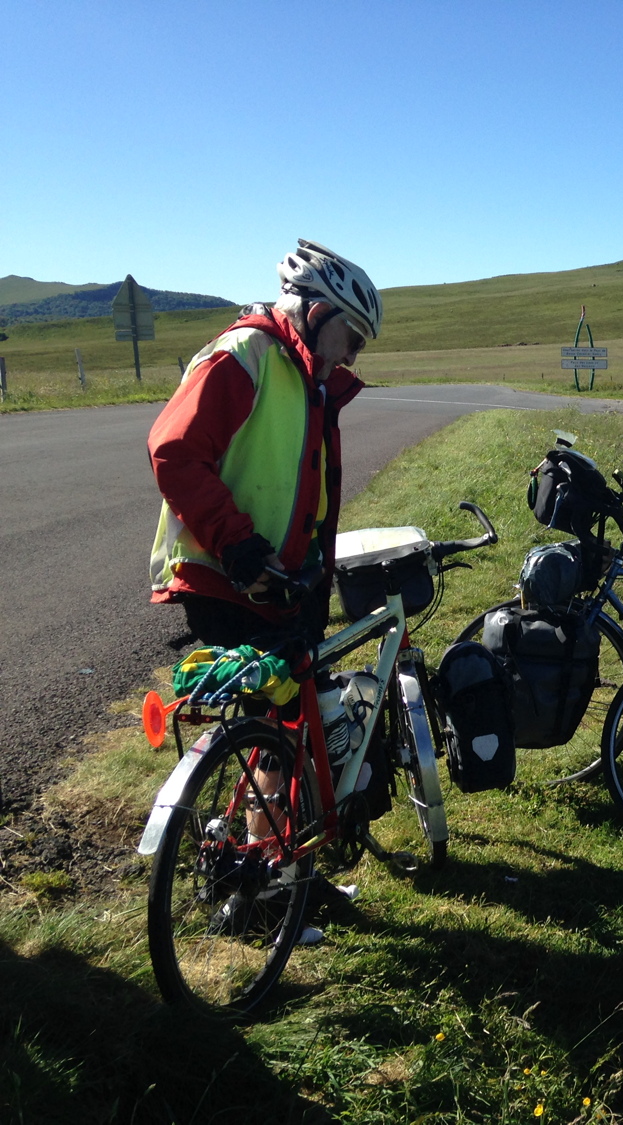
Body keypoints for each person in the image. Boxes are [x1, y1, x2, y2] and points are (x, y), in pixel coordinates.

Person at [148, 239, 382, 937]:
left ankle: (284, 874)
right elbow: (173, 449)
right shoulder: (247, 356)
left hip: (280, 583)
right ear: (317, 313)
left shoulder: (304, 374)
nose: (354, 354)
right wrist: (238, 543)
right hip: (231, 578)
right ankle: (263, 895)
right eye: (352, 336)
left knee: (285, 733)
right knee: (278, 734)